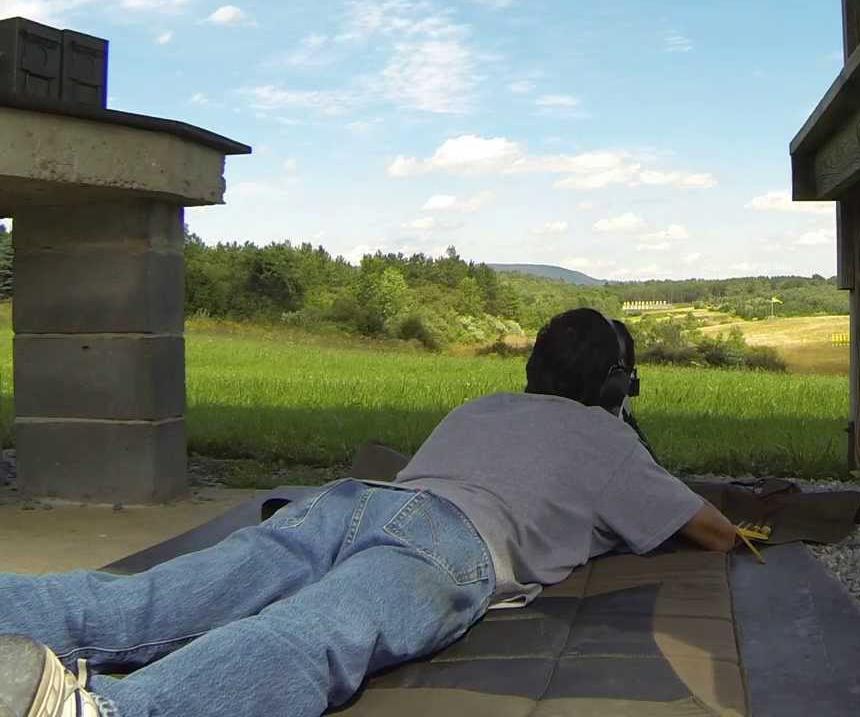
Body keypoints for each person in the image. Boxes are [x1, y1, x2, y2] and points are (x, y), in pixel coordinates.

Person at [0, 307, 738, 717]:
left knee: (146, 602)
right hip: (449, 542)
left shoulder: (483, 404)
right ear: (616, 383)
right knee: (309, 635)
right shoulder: (605, 436)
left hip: (351, 505)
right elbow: (712, 531)